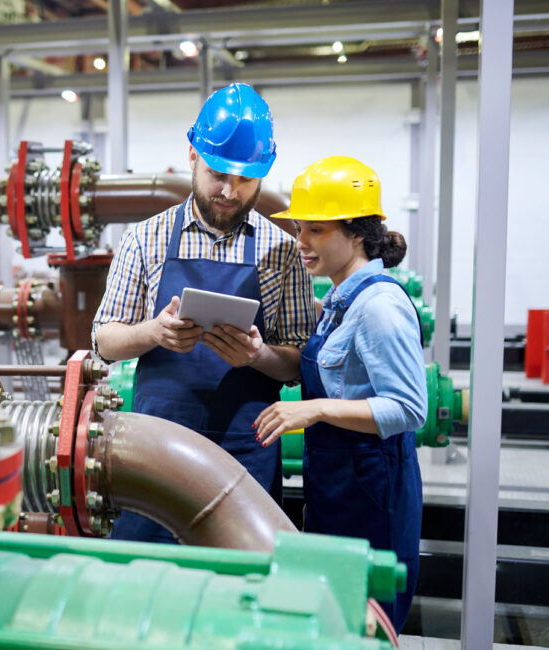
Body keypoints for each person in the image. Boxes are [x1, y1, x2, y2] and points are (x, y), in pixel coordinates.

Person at [92, 83, 317, 544]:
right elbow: (105, 342)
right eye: (218, 174)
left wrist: (256, 356)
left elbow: (297, 363)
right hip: (156, 449)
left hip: (246, 451)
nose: (229, 192)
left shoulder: (282, 252)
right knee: (148, 576)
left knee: (241, 582)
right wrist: (154, 333)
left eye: (245, 180)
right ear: (193, 154)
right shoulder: (145, 238)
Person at [255, 156, 425, 632]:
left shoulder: (379, 307)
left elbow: (409, 408)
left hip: (372, 489)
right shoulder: (339, 299)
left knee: (367, 622)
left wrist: (315, 409)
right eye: (299, 228)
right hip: (338, 481)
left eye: (315, 230)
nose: (301, 242)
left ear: (356, 233)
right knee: (336, 617)